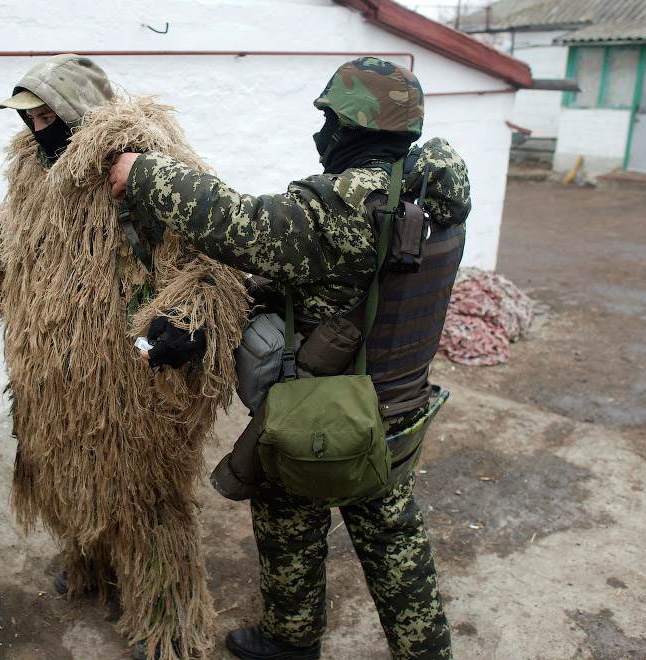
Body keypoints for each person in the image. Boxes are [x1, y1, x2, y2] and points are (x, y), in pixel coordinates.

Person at [109, 57, 469, 660]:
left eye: (329, 119)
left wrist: (145, 173)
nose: (321, 133)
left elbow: (239, 223)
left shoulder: (350, 205)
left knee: (286, 514)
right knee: (392, 531)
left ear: (354, 127)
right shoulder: (432, 189)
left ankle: (291, 641)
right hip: (400, 403)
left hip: (327, 413)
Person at [0, 54, 250, 660]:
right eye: (29, 118)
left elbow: (213, 260)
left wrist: (189, 317)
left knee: (144, 500)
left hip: (130, 372)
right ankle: (92, 570)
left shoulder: (145, 166)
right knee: (69, 477)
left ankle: (168, 621)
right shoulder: (35, 168)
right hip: (53, 373)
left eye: (48, 116)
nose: (36, 130)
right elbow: (28, 235)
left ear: (79, 111)